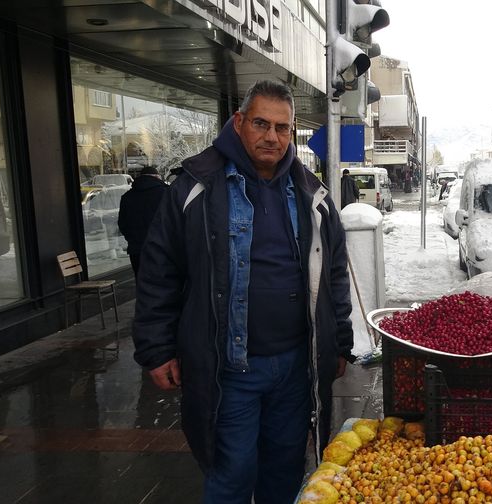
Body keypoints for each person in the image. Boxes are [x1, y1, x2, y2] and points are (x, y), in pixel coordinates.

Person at [131, 80, 354, 504]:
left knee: (285, 470)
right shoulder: (196, 186)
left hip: (296, 365)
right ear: (239, 123)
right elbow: (159, 272)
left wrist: (339, 341)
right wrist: (156, 348)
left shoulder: (312, 194)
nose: (272, 136)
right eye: (261, 123)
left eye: (283, 128)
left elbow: (334, 276)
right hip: (229, 368)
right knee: (232, 474)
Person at [117, 166, 169, 277]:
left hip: (136, 249)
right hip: (161, 249)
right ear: (156, 177)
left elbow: (123, 224)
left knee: (142, 284)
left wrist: (133, 239)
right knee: (164, 285)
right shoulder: (165, 193)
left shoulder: (127, 197)